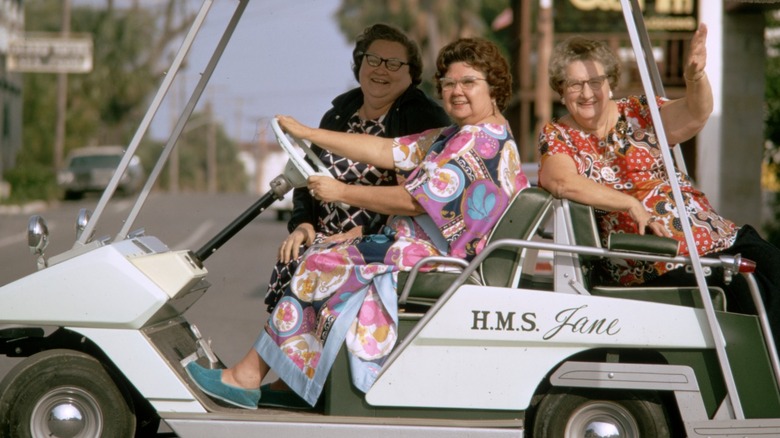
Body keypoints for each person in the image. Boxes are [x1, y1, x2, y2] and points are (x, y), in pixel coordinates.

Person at [186, 37, 530, 409]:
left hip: (436, 260)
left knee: (320, 260)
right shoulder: (457, 136)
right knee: (320, 252)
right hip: (423, 249)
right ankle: (294, 381)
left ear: (493, 86)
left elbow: (414, 201)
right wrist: (308, 133)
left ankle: (247, 377)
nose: (456, 91)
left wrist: (341, 192)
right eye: (449, 84)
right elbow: (386, 150)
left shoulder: (478, 145)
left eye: (468, 82)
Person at [537, 24, 780, 344]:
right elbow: (560, 180)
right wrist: (629, 204)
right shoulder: (559, 135)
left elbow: (696, 112)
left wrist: (695, 77)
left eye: (595, 82)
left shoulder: (639, 111)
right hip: (660, 261)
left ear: (610, 83)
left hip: (721, 240)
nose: (587, 93)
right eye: (575, 85)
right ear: (561, 90)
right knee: (748, 297)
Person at [265, 23, 450, 314]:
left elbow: (418, 199)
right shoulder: (339, 114)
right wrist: (303, 224)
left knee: (315, 262)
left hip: (382, 238)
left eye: (393, 63)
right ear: (359, 64)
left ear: (411, 74)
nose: (381, 69)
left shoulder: (423, 118)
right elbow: (306, 175)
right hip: (326, 234)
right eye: (373, 59)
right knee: (294, 253)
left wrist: (367, 230)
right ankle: (289, 356)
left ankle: (293, 356)